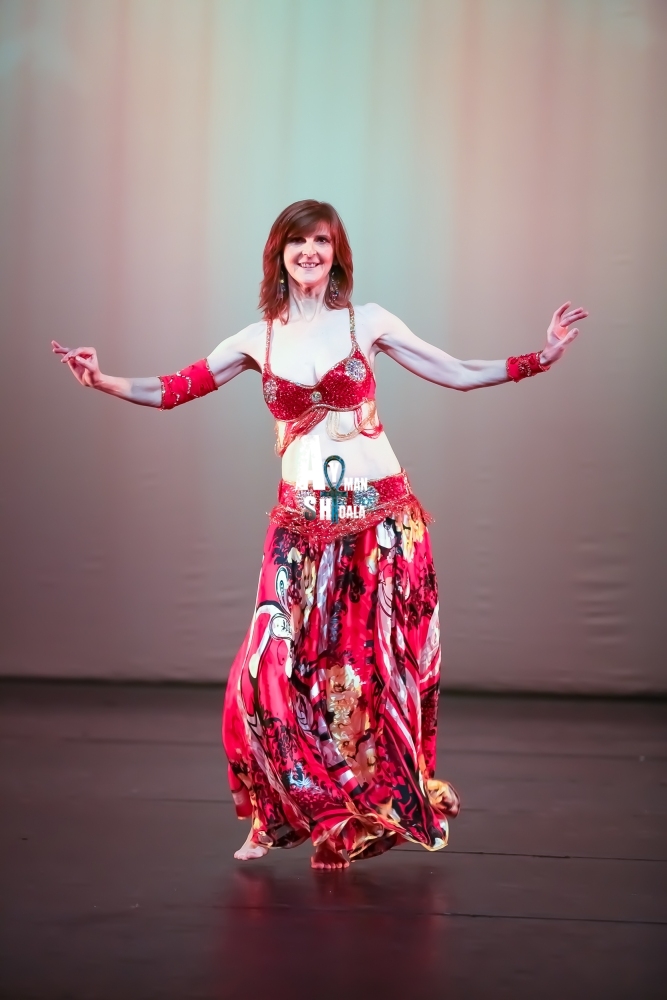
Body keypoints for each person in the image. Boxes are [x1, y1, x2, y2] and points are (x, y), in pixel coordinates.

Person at [52, 199, 587, 870]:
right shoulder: (256, 340)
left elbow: (454, 372)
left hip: (380, 524)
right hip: (300, 526)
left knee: (365, 674)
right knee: (267, 670)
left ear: (337, 254)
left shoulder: (369, 322)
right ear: (278, 254)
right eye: (297, 241)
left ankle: (353, 814)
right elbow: (175, 388)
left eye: (322, 240)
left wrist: (540, 357)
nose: (310, 251)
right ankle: (278, 811)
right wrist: (100, 380)